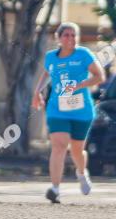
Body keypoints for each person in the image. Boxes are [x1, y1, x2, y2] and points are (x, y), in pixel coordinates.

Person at [32, 22, 105, 204]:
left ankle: (81, 173)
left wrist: (78, 86)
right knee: (59, 145)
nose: (71, 39)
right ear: (59, 38)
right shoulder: (51, 57)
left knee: (77, 151)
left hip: (82, 110)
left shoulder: (83, 55)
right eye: (67, 35)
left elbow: (99, 76)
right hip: (58, 109)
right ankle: (55, 189)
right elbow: (47, 74)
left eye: (74, 35)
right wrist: (37, 92)